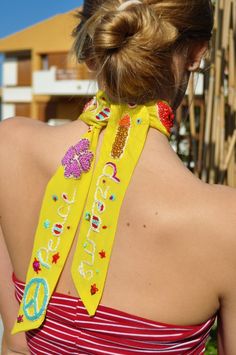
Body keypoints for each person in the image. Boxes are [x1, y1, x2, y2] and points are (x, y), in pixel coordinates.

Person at [0, 0, 236, 354]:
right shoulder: (226, 222)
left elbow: (17, 341)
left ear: (92, 49)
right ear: (197, 53)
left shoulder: (9, 146)